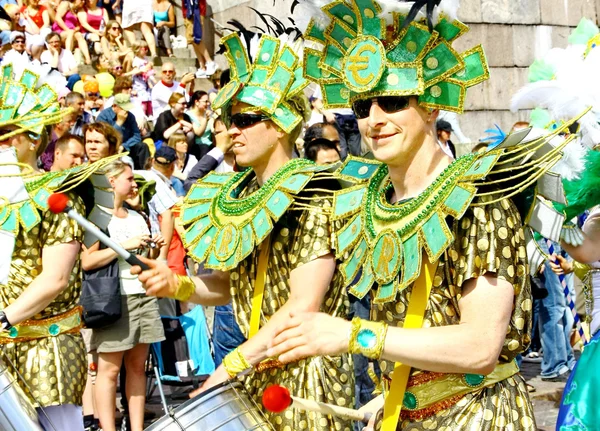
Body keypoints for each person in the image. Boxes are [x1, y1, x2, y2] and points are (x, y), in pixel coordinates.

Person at [267, 1, 549, 430]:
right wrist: (397, 392)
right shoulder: (368, 200)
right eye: (363, 107)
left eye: (393, 101)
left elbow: (479, 346)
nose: (374, 120)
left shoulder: (476, 196)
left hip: (479, 418)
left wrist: (352, 335)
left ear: (432, 107)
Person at [132, 31, 354, 431]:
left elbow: (301, 307)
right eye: (231, 120)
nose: (233, 130)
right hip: (255, 367)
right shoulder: (243, 191)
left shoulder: (313, 193)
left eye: (247, 120)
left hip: (304, 378)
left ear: (283, 123)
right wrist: (177, 285)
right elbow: (234, 285)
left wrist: (228, 368)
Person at [0, 67, 112, 430]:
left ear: (32, 138)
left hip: (45, 348)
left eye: (6, 134)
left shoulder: (58, 196)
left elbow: (56, 278)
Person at [81, 159, 165, 431]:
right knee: (109, 370)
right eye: (129, 179)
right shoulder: (96, 218)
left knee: (138, 368)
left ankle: (137, 428)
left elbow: (144, 260)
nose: (133, 184)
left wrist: (153, 249)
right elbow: (87, 262)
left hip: (143, 296)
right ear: (112, 182)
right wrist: (122, 246)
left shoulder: (137, 216)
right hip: (114, 300)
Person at [97, 93, 149, 169]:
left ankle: (145, 172)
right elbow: (105, 137)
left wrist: (124, 146)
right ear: (115, 106)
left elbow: (136, 136)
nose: (126, 111)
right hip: (110, 149)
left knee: (142, 146)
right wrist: (119, 123)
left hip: (126, 147)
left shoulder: (130, 116)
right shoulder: (103, 116)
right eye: (123, 108)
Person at [52, 0, 91, 64]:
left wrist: (75, 29)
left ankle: (88, 58)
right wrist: (67, 29)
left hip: (71, 32)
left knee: (79, 35)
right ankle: (67, 56)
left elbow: (77, 26)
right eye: (81, 0)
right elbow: (57, 18)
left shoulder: (76, 10)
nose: (83, 2)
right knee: (70, 33)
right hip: (60, 30)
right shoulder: (66, 4)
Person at [185, 89, 212, 158]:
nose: (208, 104)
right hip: (198, 146)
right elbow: (198, 133)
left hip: (210, 145)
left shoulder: (207, 113)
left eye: (208, 101)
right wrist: (205, 119)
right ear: (196, 102)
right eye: (205, 101)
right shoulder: (188, 115)